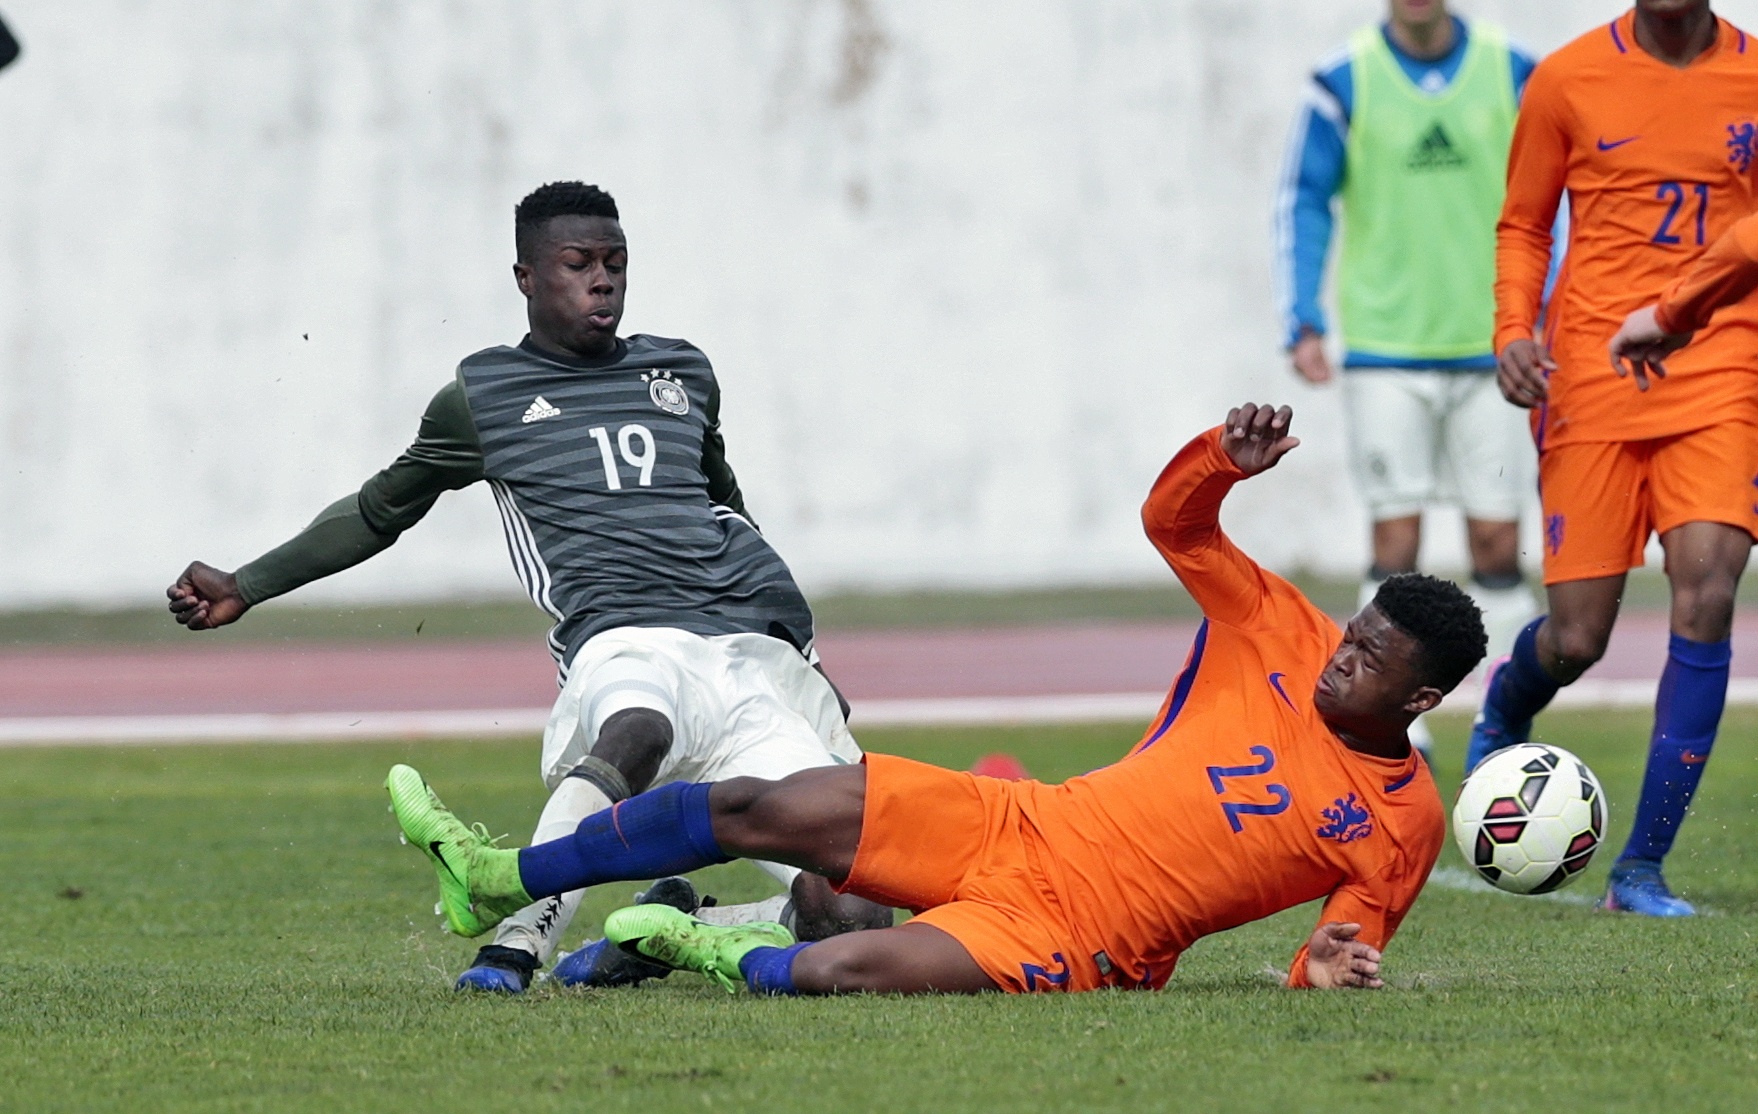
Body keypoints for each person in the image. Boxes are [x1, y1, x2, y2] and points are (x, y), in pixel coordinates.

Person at [384, 403, 1488, 996]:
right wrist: (1219, 461)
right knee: (756, 803)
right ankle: (496, 879)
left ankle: (701, 945)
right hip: (1024, 819)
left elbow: (1341, 945)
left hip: (1083, 939)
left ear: (1420, 693)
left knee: (840, 968)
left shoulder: (1404, 822)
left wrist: (1330, 966)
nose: (1342, 657)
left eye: (1372, 657)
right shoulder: (1280, 630)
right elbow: (1176, 526)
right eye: (1353, 634)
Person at [166, 181, 890, 990]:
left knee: (854, 918)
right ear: (526, 277)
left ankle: (673, 928)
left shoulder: (682, 371)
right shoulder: (485, 396)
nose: (603, 279)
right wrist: (246, 583)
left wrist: (804, 655)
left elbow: (725, 509)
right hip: (627, 635)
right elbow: (379, 510)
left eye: (616, 263)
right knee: (636, 734)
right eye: (579, 263)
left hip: (754, 656)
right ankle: (515, 944)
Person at [1470, 0, 1758, 918]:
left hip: (1720, 363)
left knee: (1708, 587)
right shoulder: (1566, 77)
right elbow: (1523, 223)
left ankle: (1641, 868)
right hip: (1591, 371)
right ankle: (1506, 710)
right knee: (1577, 638)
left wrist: (1678, 313)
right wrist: (1514, 328)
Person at [1276, 0, 1538, 756]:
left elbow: (1563, 193)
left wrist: (1550, 306)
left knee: (1497, 540)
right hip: (1386, 350)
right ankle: (1393, 720)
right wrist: (1302, 316)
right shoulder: (1342, 80)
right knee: (1396, 538)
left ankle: (1505, 721)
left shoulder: (1515, 70)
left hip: (1497, 345)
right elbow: (1302, 198)